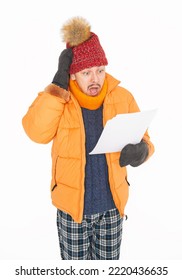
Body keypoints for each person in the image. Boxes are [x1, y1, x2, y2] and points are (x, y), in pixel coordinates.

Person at [22, 17, 154, 260]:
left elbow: (145, 139)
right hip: (72, 211)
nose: (95, 79)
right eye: (86, 73)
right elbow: (35, 132)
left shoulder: (122, 98)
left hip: (112, 209)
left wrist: (143, 151)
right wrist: (56, 87)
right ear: (72, 75)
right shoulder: (61, 100)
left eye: (100, 71)